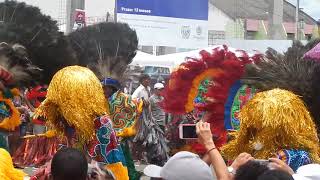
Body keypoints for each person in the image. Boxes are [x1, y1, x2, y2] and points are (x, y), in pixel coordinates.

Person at [34, 66, 129, 180]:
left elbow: (111, 162)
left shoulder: (101, 122)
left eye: (66, 97)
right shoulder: (65, 120)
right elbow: (65, 153)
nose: (60, 102)